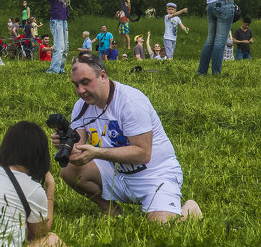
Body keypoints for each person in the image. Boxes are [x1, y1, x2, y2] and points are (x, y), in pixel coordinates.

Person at [54, 53, 201, 223]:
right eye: (76, 84)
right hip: (118, 172)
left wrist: (96, 153)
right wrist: (65, 143)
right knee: (69, 170)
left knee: (161, 227)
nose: (80, 90)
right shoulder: (81, 106)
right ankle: (111, 211)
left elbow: (143, 154)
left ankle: (190, 210)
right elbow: (77, 150)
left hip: (154, 173)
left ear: (102, 75)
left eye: (85, 82)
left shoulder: (130, 101)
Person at [44, 0, 76, 74]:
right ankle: (52, 70)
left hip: (63, 20)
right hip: (56, 21)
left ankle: (60, 69)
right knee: (59, 47)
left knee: (65, 49)